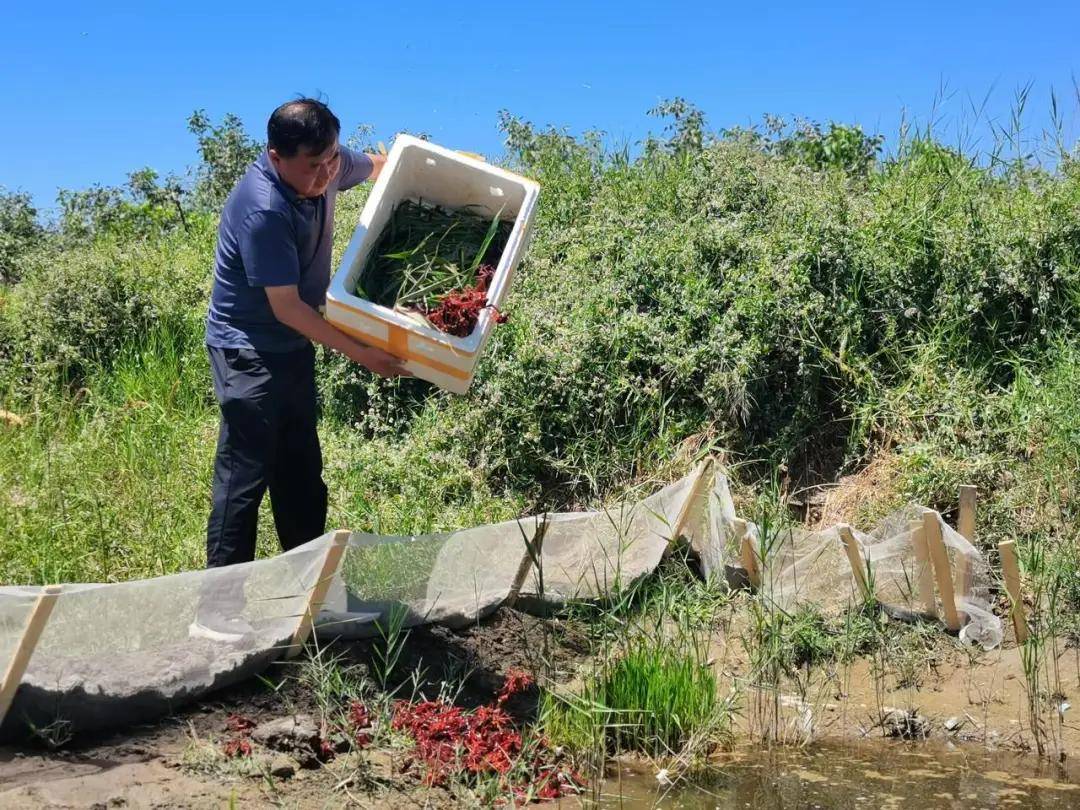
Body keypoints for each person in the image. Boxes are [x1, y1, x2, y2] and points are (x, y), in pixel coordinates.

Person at [191, 98, 408, 642]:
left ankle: (316, 598)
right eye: (312, 165)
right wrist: (366, 354)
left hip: (291, 346)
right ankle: (214, 613)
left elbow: (379, 165)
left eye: (331, 159)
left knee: (301, 474)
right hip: (247, 346)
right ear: (276, 158)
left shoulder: (329, 163)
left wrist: (435, 162)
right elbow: (285, 306)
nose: (326, 173)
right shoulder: (264, 208)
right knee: (246, 473)